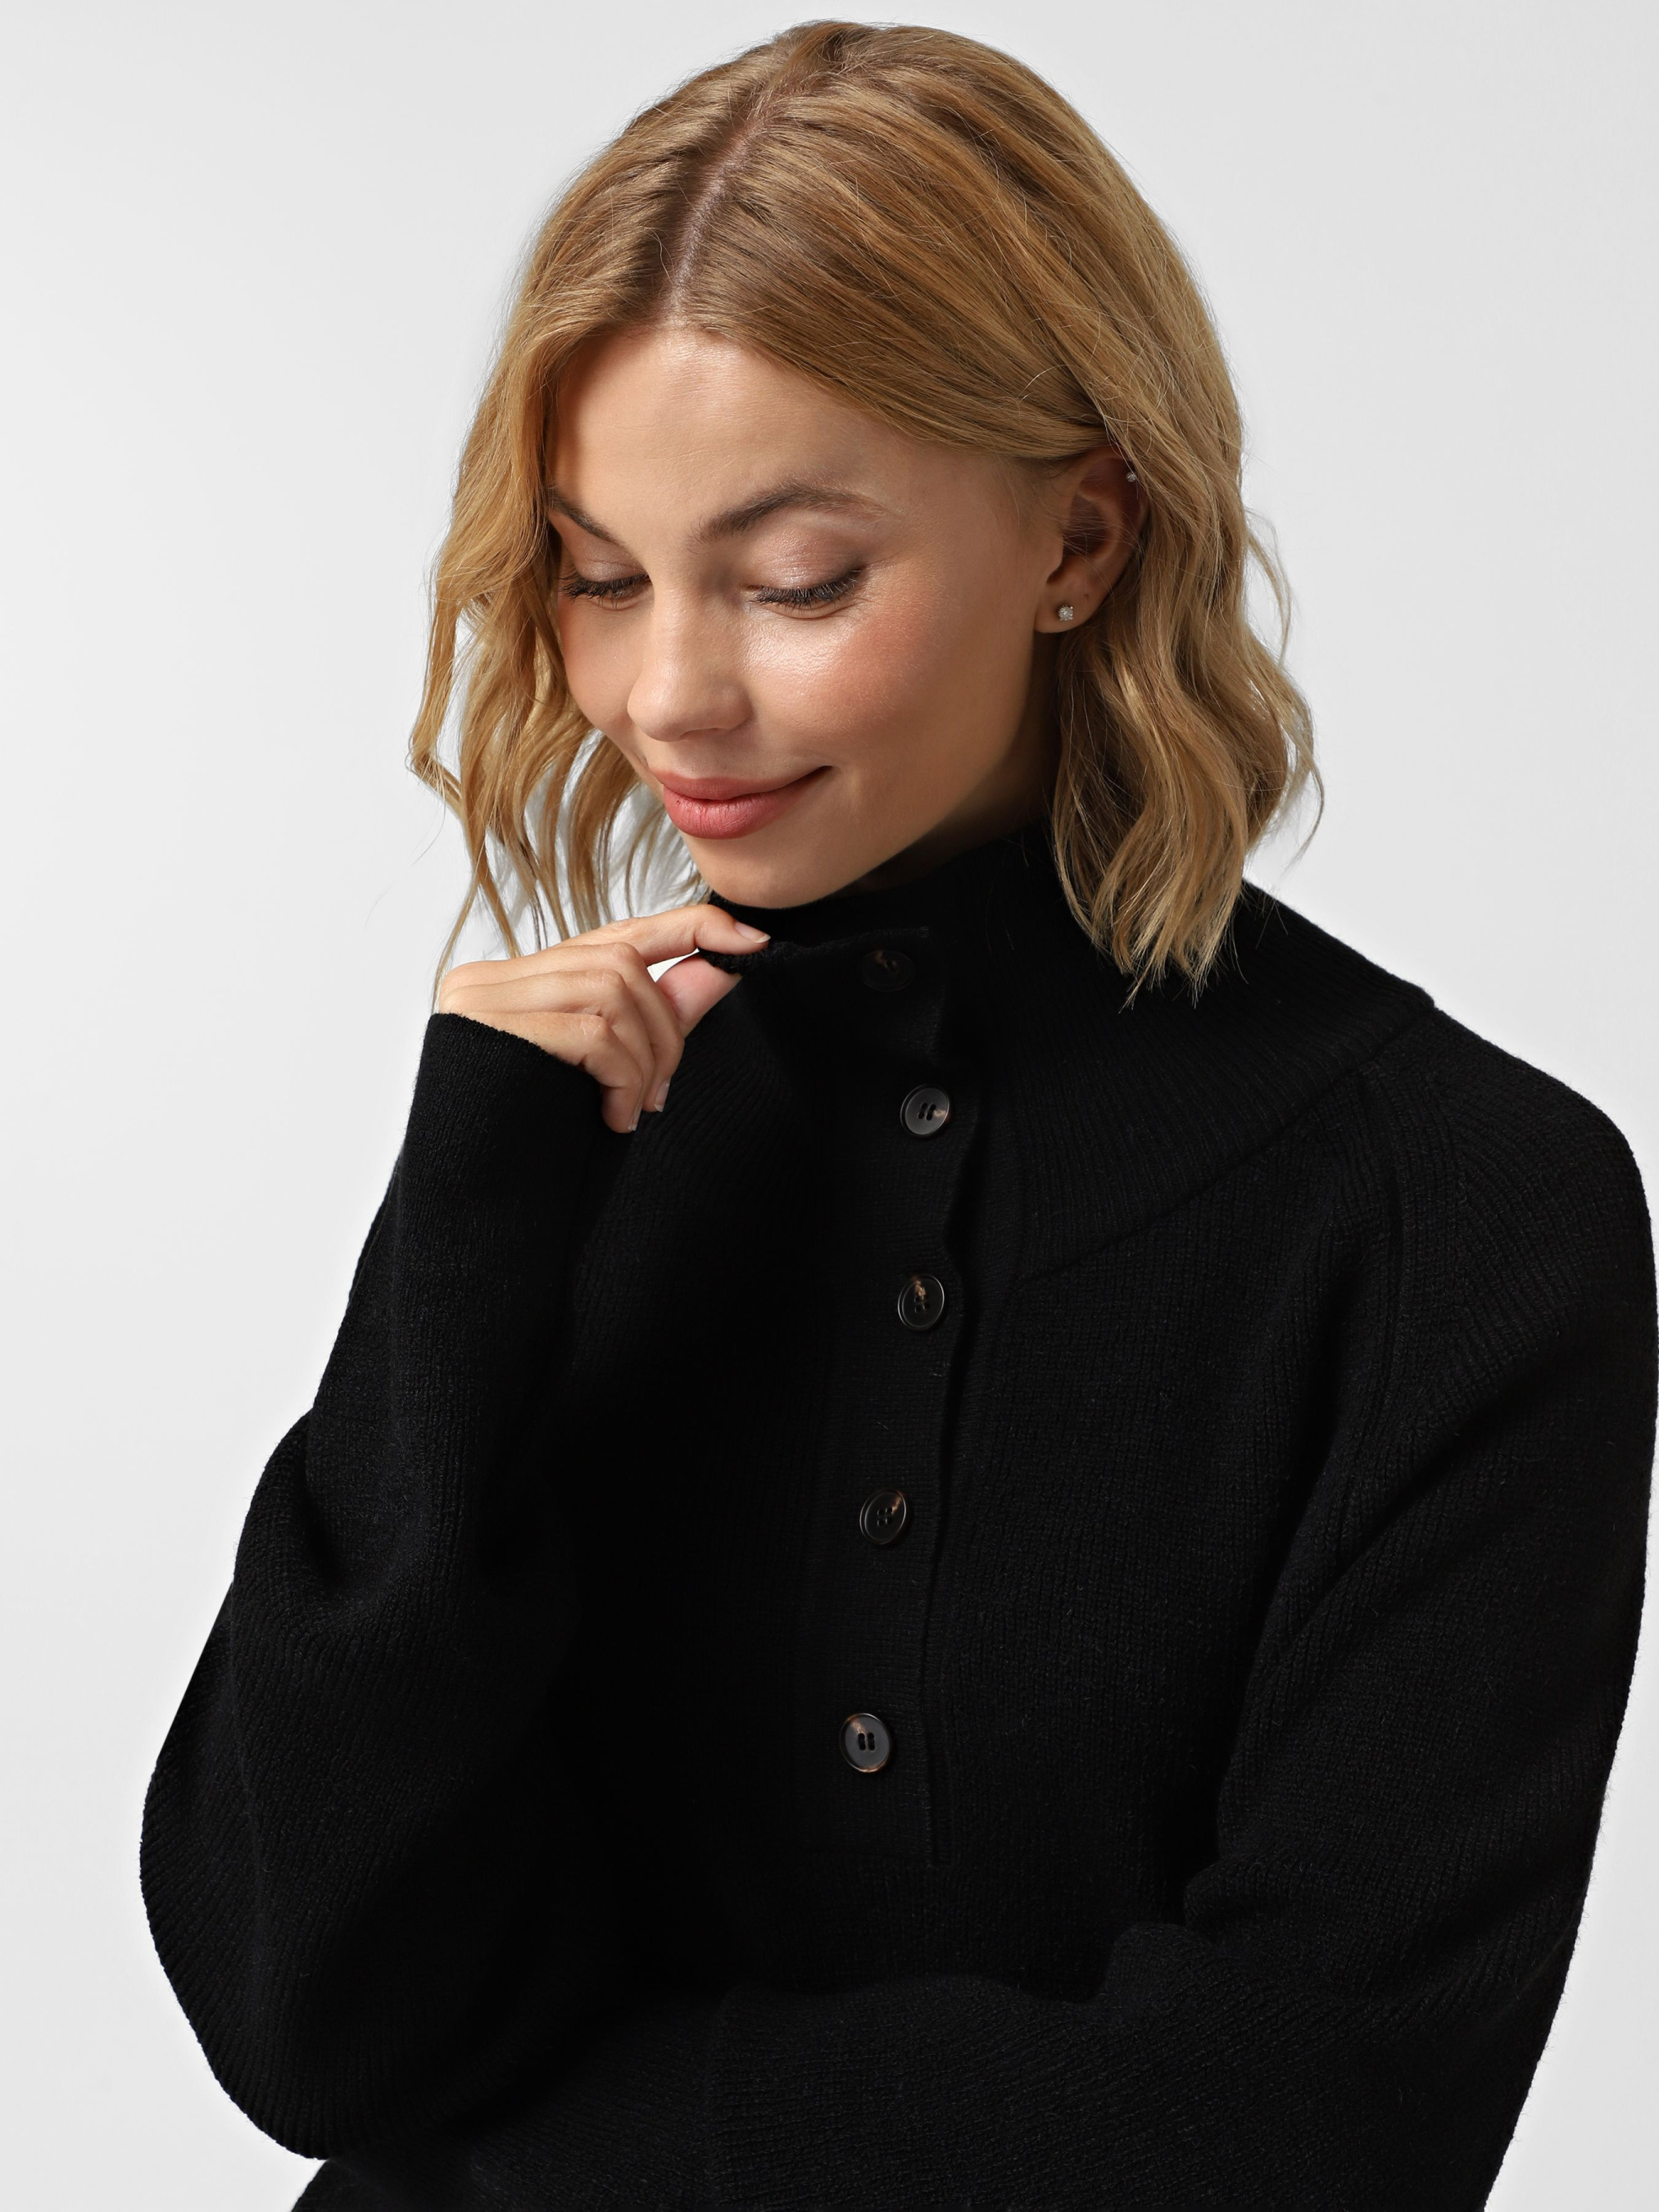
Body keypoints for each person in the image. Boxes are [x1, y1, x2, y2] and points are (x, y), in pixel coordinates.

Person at [140, 21, 1657, 2210]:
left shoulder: (1464, 1213)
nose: (667, 695)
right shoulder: (563, 1139)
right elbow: (305, 2010)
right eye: (596, 571)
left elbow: (1311, 2128)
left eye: (795, 579)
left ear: (1080, 536)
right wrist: (463, 1234)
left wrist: (516, 2153)